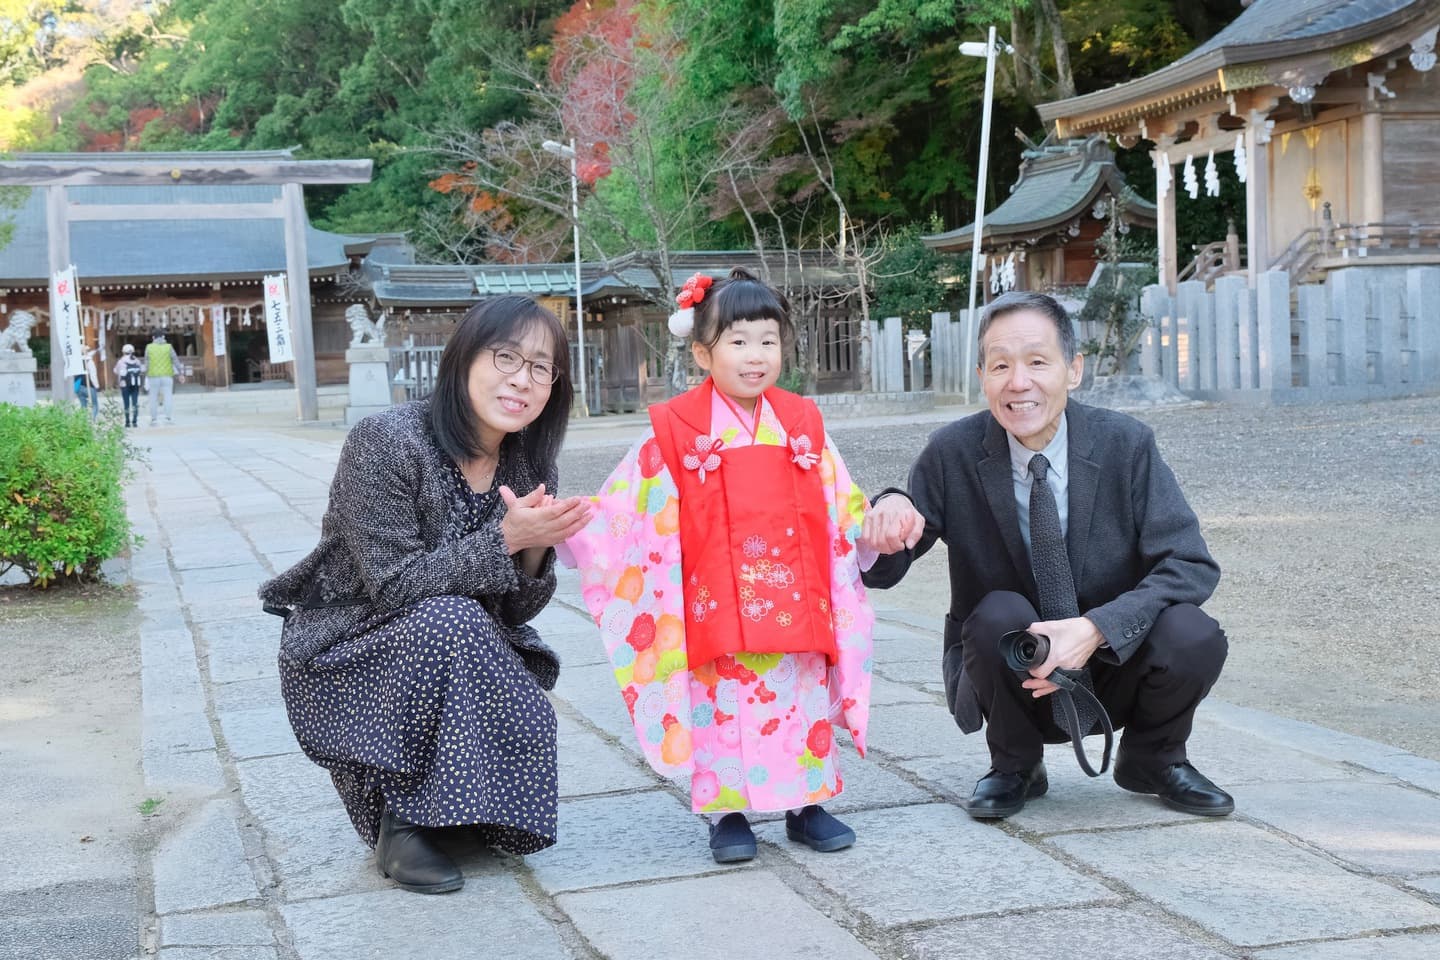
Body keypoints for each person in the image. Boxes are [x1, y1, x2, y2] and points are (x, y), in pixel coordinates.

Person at [258, 295, 592, 894]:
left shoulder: (527, 461)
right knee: (451, 619)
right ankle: (403, 821)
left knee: (466, 626)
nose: (523, 379)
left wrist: (537, 546)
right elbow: (391, 586)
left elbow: (513, 610)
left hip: (458, 646)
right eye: (507, 358)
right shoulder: (386, 441)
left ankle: (453, 806)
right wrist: (506, 538)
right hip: (352, 648)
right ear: (463, 358)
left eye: (542, 368)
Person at [858, 291, 1232, 820]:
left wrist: (1096, 628)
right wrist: (887, 512)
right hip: (1013, 672)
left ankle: (1154, 757)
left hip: (1113, 666)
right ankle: (1015, 765)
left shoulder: (1126, 444)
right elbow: (892, 560)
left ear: (1073, 369)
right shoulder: (952, 452)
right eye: (1000, 365)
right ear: (983, 376)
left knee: (1193, 632)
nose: (1018, 382)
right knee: (996, 612)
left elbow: (1190, 563)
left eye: (1037, 362)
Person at [559, 268, 875, 864]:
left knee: (797, 695)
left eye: (768, 340)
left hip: (795, 589)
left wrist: (873, 529)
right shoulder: (676, 428)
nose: (755, 356)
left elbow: (841, 504)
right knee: (722, 703)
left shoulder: (803, 422)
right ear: (703, 352)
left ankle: (807, 803)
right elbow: (629, 508)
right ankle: (725, 812)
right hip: (714, 597)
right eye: (737, 341)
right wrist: (570, 524)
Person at [144, 330, 179, 425]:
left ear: (153, 338)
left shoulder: (149, 347)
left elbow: (146, 362)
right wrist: (181, 372)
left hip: (153, 375)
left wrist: (145, 374)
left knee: (153, 397)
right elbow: (175, 359)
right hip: (167, 374)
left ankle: (154, 419)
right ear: (163, 337)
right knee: (168, 396)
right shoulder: (169, 347)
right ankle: (168, 418)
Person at [115, 344, 144, 428]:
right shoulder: (137, 360)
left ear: (123, 351)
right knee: (135, 402)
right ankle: (135, 421)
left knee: (126, 403)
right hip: (135, 384)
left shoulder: (121, 361)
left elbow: (116, 370)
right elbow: (141, 370)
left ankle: (127, 422)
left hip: (124, 384)